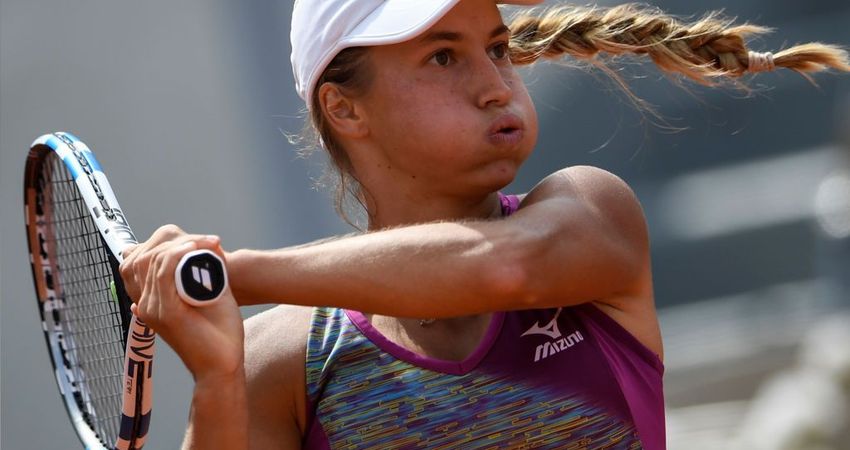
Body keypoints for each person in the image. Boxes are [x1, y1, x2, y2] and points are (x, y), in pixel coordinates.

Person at [118, 0, 850, 449]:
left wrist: (231, 274)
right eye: (443, 57)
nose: (495, 85)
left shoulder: (593, 214)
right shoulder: (280, 364)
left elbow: (503, 268)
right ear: (346, 109)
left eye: (497, 49)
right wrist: (217, 381)